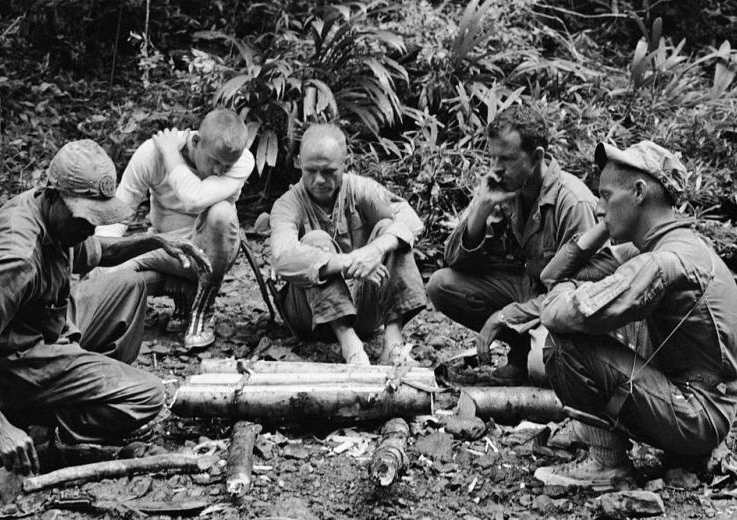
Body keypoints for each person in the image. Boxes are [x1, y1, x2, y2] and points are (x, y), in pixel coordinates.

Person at [0, 139, 211, 475]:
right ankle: (38, 427)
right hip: (11, 360)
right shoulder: (16, 258)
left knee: (128, 285)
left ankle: (68, 397)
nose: (89, 228)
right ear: (51, 195)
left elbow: (98, 250)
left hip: (45, 328)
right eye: (84, 219)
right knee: (148, 395)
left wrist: (153, 241)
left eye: (96, 219)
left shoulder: (56, 219)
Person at [534, 141, 737, 488]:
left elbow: (560, 314)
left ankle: (606, 463)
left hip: (696, 416)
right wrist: (604, 226)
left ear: (639, 192)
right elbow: (552, 275)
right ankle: (610, 440)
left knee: (564, 344)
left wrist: (568, 293)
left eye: (606, 196)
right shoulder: (668, 244)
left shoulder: (663, 261)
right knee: (592, 320)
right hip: (697, 405)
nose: (598, 207)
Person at [426, 104, 599, 384]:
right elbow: (455, 262)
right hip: (530, 289)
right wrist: (480, 211)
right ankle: (522, 350)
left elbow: (582, 295)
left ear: (537, 157)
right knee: (441, 285)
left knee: (542, 370)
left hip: (566, 307)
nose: (495, 169)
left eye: (505, 159)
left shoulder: (573, 203)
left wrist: (505, 316)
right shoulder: (505, 187)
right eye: (492, 157)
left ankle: (547, 358)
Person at [269, 124, 427, 366]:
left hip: (363, 309)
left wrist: (375, 250)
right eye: (311, 170)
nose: (319, 180)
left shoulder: (361, 189)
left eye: (329, 171)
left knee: (391, 232)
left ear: (345, 162)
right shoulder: (287, 205)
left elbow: (410, 220)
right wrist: (346, 262)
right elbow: (283, 257)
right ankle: (350, 347)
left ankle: (393, 345)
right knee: (315, 241)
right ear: (299, 162)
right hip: (309, 319)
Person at [96, 109, 254, 350]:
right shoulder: (151, 153)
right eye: (214, 161)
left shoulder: (243, 160)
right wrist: (99, 260)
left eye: (226, 165)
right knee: (105, 274)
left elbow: (194, 199)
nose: (220, 171)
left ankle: (203, 309)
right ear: (196, 141)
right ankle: (182, 294)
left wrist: (171, 153)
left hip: (209, 251)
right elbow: (118, 213)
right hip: (165, 248)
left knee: (221, 212)